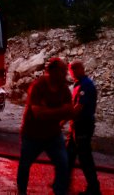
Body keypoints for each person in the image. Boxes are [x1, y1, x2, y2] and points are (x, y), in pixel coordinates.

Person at [17, 58, 73, 195]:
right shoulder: (38, 86)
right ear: (52, 72)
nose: (66, 74)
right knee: (25, 165)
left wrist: (49, 112)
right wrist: (59, 111)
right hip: (32, 134)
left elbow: (69, 111)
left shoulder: (64, 88)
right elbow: (38, 114)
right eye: (63, 71)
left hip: (53, 135)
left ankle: (59, 192)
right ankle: (21, 192)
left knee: (63, 164)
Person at [67, 60, 101, 195]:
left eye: (76, 68)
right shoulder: (78, 84)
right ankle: (63, 183)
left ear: (82, 69)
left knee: (85, 157)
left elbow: (78, 108)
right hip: (76, 125)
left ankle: (94, 188)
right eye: (71, 69)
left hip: (83, 125)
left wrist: (62, 117)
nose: (73, 71)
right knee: (69, 155)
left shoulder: (86, 85)